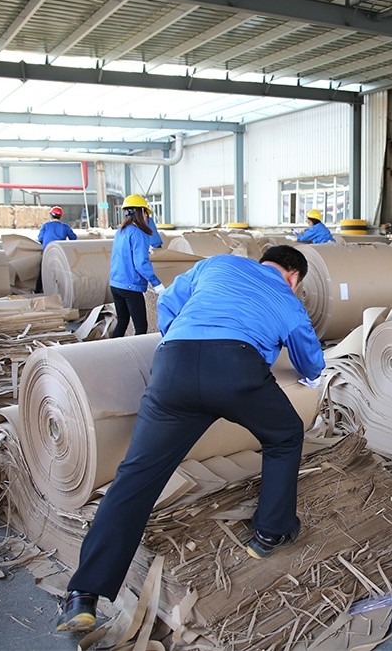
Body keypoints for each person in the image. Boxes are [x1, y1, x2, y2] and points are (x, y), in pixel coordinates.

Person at [56, 245, 325, 632]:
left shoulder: (217, 264)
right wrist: (309, 377)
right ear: (294, 276)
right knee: (285, 435)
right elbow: (310, 361)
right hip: (237, 370)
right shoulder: (286, 297)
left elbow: (168, 302)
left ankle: (84, 594)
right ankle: (271, 532)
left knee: (137, 474)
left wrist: (182, 341)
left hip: (173, 367)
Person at [109, 195, 164, 339]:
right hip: (130, 287)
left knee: (122, 323)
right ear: (141, 212)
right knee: (141, 328)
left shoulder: (121, 231)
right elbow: (141, 265)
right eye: (146, 213)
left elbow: (124, 253)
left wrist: (144, 249)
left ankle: (111, 349)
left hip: (116, 284)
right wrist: (157, 284)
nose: (147, 217)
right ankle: (137, 354)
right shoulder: (139, 233)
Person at [36, 206, 77, 293]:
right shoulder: (65, 227)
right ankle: (64, 290)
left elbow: (40, 239)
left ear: (51, 215)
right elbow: (73, 238)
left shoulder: (45, 226)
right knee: (62, 271)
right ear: (61, 216)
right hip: (60, 252)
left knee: (42, 271)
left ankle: (38, 290)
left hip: (47, 251)